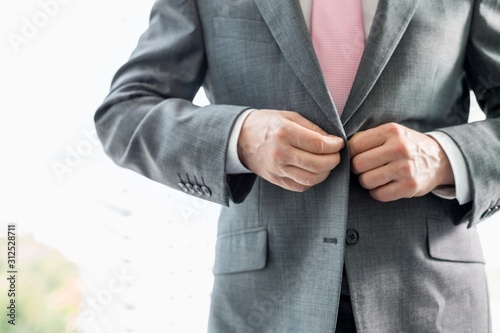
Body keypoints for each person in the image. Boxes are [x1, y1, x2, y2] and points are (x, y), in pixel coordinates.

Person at [94, 0, 500, 332]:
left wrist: (444, 158)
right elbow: (124, 113)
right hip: (265, 306)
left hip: (432, 303)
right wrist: (240, 136)